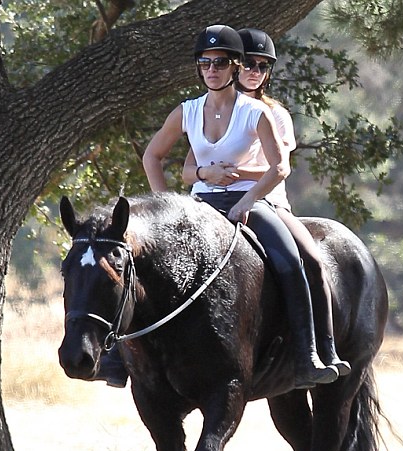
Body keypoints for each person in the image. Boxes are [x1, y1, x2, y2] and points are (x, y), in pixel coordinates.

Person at [142, 24, 339, 389]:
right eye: (205, 63)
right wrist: (163, 204)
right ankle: (118, 356)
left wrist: (249, 199)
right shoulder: (186, 112)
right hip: (199, 201)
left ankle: (309, 354)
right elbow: (153, 156)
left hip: (253, 200)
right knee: (143, 258)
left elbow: (280, 166)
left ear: (233, 66)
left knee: (292, 260)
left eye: (219, 63)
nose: (211, 70)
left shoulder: (257, 113)